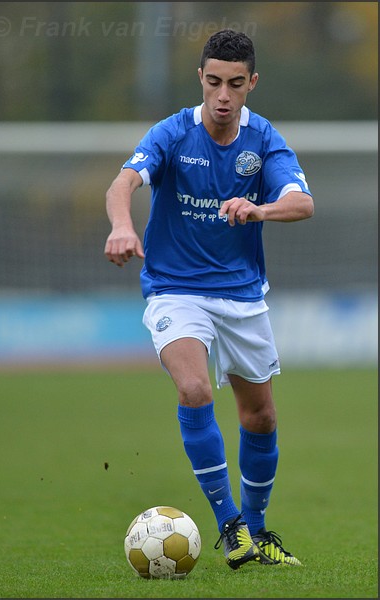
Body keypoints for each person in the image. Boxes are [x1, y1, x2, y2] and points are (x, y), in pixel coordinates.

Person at [104, 29, 314, 570]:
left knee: (261, 417)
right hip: (175, 287)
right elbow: (123, 183)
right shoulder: (173, 133)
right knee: (195, 389)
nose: (224, 95)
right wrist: (122, 228)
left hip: (242, 294)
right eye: (215, 81)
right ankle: (230, 526)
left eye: (236, 84)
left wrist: (259, 209)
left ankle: (260, 532)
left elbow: (301, 202)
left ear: (252, 84)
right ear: (201, 77)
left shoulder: (264, 139)